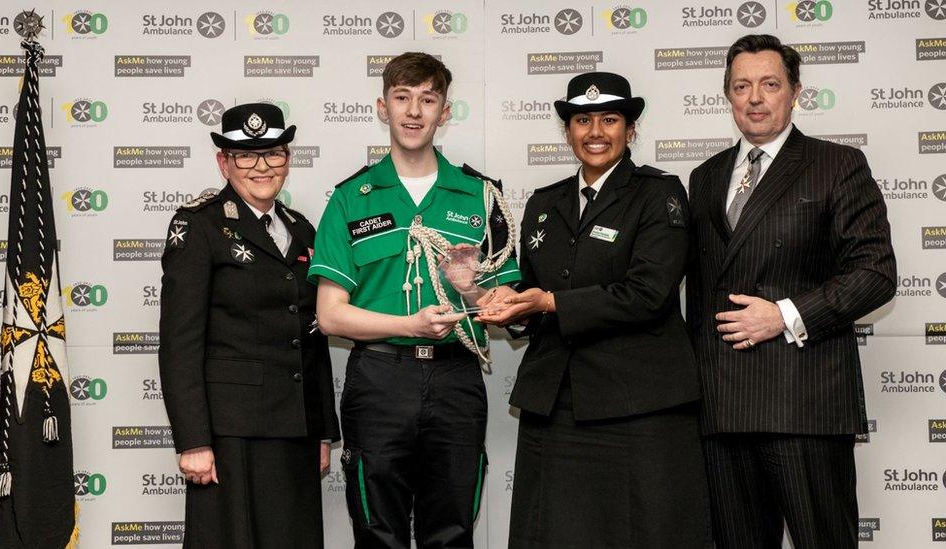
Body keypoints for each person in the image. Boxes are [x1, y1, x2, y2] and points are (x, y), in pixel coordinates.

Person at [478, 71, 710, 548]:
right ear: (568, 131)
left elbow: (648, 293)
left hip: (638, 403)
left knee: (645, 533)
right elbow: (534, 289)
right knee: (553, 534)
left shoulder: (659, 194)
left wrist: (549, 301)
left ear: (631, 128)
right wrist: (513, 306)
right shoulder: (544, 203)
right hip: (557, 403)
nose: (596, 132)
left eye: (610, 119)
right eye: (582, 120)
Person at [686, 34, 896, 548]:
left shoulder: (837, 164)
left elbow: (875, 272)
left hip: (804, 402)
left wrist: (784, 315)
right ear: (728, 96)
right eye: (742, 86)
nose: (755, 97)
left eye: (770, 84)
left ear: (795, 91)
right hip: (722, 408)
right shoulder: (704, 177)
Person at [308, 52, 521, 548]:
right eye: (402, 98)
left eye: (428, 99)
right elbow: (330, 313)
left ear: (445, 113)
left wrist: (470, 288)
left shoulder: (480, 196)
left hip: (456, 379)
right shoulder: (350, 197)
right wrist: (409, 323)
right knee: (377, 533)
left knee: (451, 532)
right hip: (380, 381)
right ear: (383, 107)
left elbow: (507, 304)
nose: (413, 111)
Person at [158, 103, 339, 549]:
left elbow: (312, 337)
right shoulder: (198, 226)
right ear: (224, 161)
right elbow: (179, 343)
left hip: (295, 430)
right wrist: (193, 441)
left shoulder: (303, 230)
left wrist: (321, 430)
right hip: (229, 435)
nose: (261, 166)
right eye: (245, 154)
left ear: (287, 159)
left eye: (273, 153)